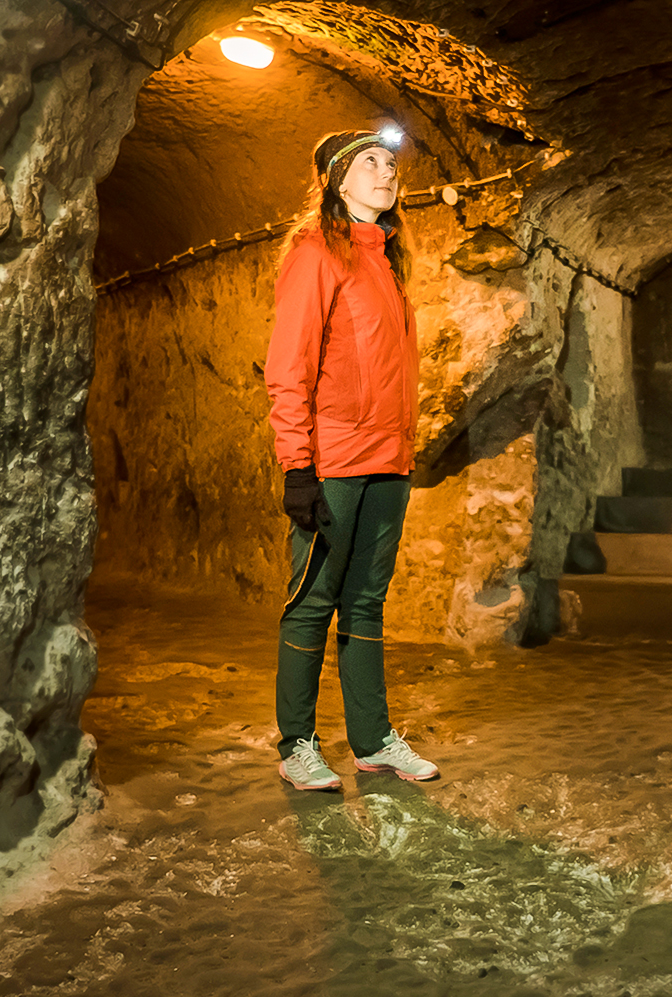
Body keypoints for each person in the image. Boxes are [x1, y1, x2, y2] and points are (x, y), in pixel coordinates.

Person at [263, 128, 439, 791]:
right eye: (370, 161)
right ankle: (298, 744)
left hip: (388, 461)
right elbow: (289, 366)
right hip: (333, 460)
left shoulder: (388, 263)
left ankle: (373, 741)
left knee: (366, 603)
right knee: (313, 601)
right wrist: (297, 465)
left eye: (391, 163)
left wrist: (403, 451)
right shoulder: (315, 254)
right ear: (338, 181)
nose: (386, 170)